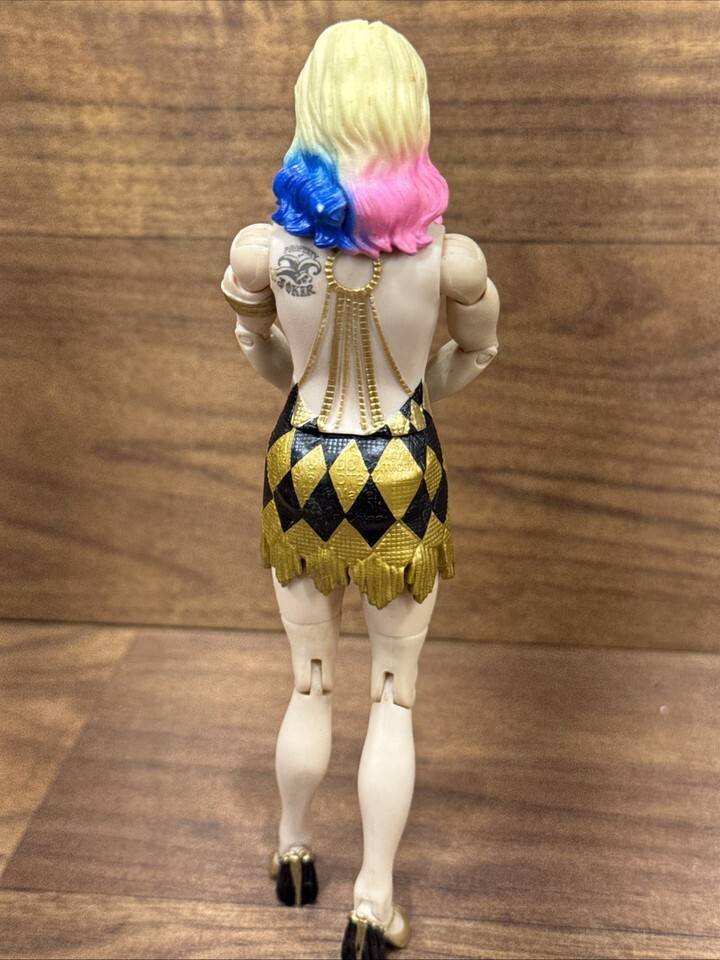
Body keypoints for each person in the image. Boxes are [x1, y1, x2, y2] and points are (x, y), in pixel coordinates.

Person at [222, 20, 500, 960]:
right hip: (400, 469)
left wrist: (297, 377)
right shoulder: (450, 261)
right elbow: (475, 355)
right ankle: (373, 899)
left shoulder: (269, 252)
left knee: (309, 681)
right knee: (392, 694)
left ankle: (293, 848)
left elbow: (265, 355)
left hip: (300, 466)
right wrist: (415, 395)